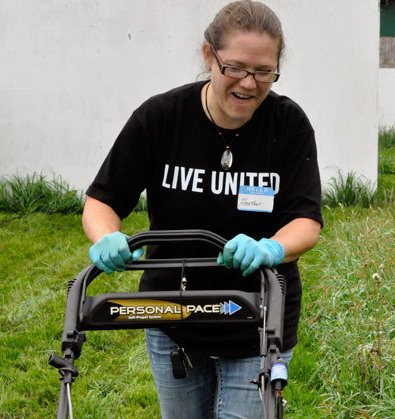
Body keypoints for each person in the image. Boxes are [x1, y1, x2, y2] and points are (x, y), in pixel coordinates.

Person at [82, 0, 323, 417]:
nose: (249, 84)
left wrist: (270, 248)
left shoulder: (288, 126)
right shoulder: (161, 118)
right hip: (172, 315)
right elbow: (102, 199)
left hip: (257, 317)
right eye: (236, 67)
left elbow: (305, 220)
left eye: (263, 71)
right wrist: (106, 237)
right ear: (209, 55)